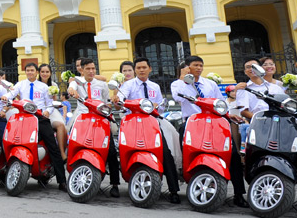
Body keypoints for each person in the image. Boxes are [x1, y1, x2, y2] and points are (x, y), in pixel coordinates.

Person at [171, 55, 248, 207]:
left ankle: (239, 194)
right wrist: (182, 77)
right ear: (187, 67)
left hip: (214, 122)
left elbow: (221, 103)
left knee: (232, 153)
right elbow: (176, 97)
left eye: (201, 65)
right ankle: (186, 179)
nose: (198, 68)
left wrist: (228, 115)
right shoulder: (178, 84)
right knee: (186, 150)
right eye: (195, 65)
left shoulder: (210, 84)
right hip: (192, 122)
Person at [118, 57, 181, 203]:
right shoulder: (128, 85)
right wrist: (118, 101)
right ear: (135, 70)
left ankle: (173, 190)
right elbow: (121, 100)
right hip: (133, 123)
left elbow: (161, 107)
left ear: (149, 69)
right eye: (138, 68)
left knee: (165, 152)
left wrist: (157, 106)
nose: (141, 70)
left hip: (152, 124)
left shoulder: (155, 87)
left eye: (144, 67)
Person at [11, 62, 69, 192]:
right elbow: (12, 94)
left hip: (41, 118)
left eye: (32, 70)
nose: (30, 72)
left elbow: (49, 104)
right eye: (28, 70)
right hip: (25, 118)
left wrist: (47, 111)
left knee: (53, 148)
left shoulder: (43, 87)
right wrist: (6, 97)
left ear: (36, 72)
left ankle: (62, 181)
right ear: (25, 72)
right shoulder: (20, 84)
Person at [66, 58, 119, 194]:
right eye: (88, 69)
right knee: (72, 142)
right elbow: (71, 88)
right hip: (83, 119)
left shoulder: (101, 84)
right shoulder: (77, 82)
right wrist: (72, 92)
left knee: (111, 151)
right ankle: (72, 171)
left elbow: (107, 103)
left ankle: (114, 184)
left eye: (93, 68)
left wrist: (109, 110)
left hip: (100, 120)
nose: (91, 71)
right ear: (82, 70)